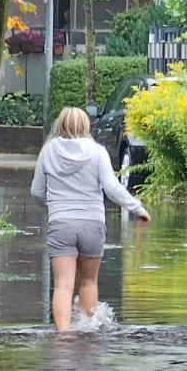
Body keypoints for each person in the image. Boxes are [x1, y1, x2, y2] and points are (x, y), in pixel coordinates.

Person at [32, 107, 152, 331]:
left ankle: (62, 335)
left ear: (60, 125)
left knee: (62, 285)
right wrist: (137, 208)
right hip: (93, 224)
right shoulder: (98, 152)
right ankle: (88, 332)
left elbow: (37, 191)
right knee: (89, 281)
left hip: (61, 224)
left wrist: (55, 208)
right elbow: (112, 187)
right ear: (86, 126)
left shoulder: (48, 151)